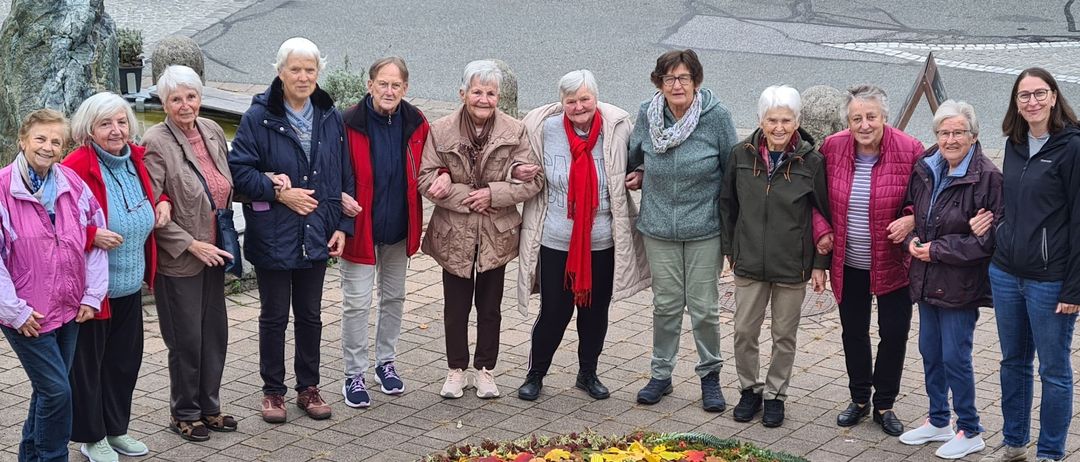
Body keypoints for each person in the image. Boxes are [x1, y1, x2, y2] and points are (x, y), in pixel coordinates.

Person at [228, 37, 354, 423]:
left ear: (319, 73)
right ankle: (272, 392)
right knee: (274, 316)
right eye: (295, 69)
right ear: (280, 71)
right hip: (274, 232)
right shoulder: (257, 117)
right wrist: (278, 192)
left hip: (317, 229)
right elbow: (238, 174)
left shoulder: (329, 115)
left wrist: (343, 225)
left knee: (311, 315)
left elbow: (343, 173)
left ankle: (309, 388)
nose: (303, 76)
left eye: (310, 69)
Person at [515, 70, 650, 402]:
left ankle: (587, 374)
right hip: (555, 239)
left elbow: (640, 158)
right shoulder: (542, 128)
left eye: (585, 99)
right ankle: (535, 374)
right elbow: (516, 161)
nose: (578, 107)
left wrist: (641, 172)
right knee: (554, 312)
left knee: (594, 312)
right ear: (562, 103)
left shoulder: (617, 128)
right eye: (571, 101)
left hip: (603, 239)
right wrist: (516, 171)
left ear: (596, 98)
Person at [972, 68, 1080, 462]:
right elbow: (1012, 202)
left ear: (1053, 96)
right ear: (1015, 102)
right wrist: (994, 225)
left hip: (1050, 281)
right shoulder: (1015, 144)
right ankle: (1015, 444)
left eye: (1039, 93)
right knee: (1012, 362)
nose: (1031, 102)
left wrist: (1074, 288)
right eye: (1023, 95)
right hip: (1005, 273)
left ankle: (1050, 452)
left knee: (1053, 371)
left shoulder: (1072, 147)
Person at [418, 59, 542, 400]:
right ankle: (456, 369)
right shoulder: (440, 129)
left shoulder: (515, 131)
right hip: (453, 231)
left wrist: (494, 192)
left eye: (490, 93)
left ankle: (486, 370)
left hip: (496, 232)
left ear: (498, 97)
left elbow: (535, 181)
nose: (483, 99)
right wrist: (462, 194)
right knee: (455, 308)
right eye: (476, 92)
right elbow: (425, 178)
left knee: (490, 308)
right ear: (462, 93)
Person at [627, 48, 737, 411]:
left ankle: (710, 377)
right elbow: (635, 156)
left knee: (704, 308)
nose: (677, 85)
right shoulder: (648, 113)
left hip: (704, 228)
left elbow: (731, 171)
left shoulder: (716, 116)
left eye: (684, 78)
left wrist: (731, 233)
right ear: (659, 82)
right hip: (658, 227)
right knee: (666, 306)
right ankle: (661, 375)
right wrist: (640, 173)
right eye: (669, 78)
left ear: (696, 81)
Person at [65, 92, 169, 462]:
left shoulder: (136, 160)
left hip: (130, 284)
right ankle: (91, 437)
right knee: (88, 367)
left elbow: (160, 188)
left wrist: (163, 202)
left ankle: (116, 429)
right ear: (89, 129)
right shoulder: (75, 165)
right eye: (106, 123)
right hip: (93, 292)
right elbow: (54, 225)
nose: (116, 130)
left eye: (122, 122)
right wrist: (91, 236)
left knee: (124, 362)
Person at [813, 84, 923, 437]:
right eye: (856, 118)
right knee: (854, 333)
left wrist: (912, 218)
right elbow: (814, 200)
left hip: (893, 262)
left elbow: (926, 198)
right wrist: (821, 232)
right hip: (849, 262)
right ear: (848, 120)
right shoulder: (832, 148)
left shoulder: (910, 149)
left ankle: (885, 404)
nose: (864, 125)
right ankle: (859, 399)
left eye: (871, 117)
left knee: (894, 333)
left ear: (884, 118)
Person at [0, 109, 107, 462]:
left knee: (47, 391)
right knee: (58, 392)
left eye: (55, 141)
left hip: (68, 308)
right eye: (40, 139)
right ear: (23, 141)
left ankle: (30, 456)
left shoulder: (72, 185)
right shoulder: (2, 189)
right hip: (27, 314)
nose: (47, 147)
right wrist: (13, 311)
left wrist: (91, 295)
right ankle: (51, 456)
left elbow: (93, 242)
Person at [896, 100, 1001, 459]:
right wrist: (913, 236)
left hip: (960, 284)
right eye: (944, 132)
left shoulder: (988, 177)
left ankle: (970, 429)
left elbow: (988, 241)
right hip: (926, 278)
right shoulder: (927, 165)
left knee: (956, 356)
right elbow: (915, 212)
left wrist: (937, 249)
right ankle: (938, 419)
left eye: (958, 132)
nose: (950, 139)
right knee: (930, 352)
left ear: (973, 137)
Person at [720, 85, 829, 427]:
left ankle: (776, 395)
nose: (779, 127)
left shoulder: (812, 162)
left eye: (786, 120)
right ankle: (750, 390)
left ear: (797, 122)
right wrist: (730, 250)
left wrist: (818, 265)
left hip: (791, 265)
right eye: (772, 120)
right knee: (744, 332)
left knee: (784, 335)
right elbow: (727, 205)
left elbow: (823, 214)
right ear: (760, 121)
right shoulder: (740, 154)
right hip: (748, 260)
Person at [142, 65, 237, 441]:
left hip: (217, 248)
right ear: (164, 103)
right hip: (182, 256)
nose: (185, 105)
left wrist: (272, 183)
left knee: (214, 334)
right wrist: (190, 244)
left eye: (191, 97)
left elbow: (227, 182)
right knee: (185, 340)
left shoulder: (211, 130)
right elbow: (151, 206)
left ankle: (209, 407)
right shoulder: (155, 141)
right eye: (176, 99)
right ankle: (184, 412)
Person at [338, 56, 429, 408]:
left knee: (394, 299)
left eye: (396, 85)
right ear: (369, 85)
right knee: (357, 303)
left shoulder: (416, 122)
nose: (389, 90)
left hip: (399, 228)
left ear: (405, 88)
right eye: (383, 83)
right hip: (359, 228)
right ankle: (354, 374)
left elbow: (431, 166)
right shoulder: (347, 122)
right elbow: (332, 170)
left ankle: (385, 363)